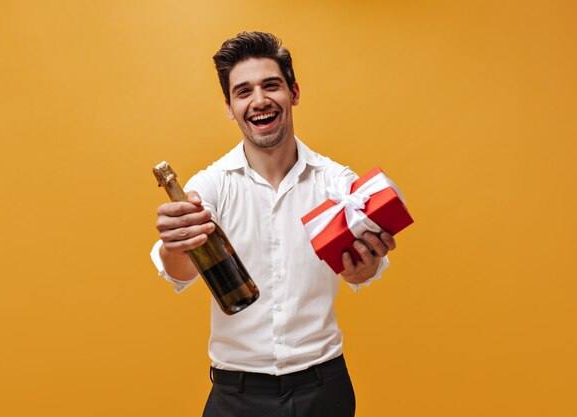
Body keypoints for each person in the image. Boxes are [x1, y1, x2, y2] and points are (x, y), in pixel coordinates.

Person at [150, 31, 397, 417]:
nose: (259, 100)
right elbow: (180, 271)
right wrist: (176, 241)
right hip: (236, 395)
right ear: (230, 107)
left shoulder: (338, 184)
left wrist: (363, 265)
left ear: (294, 93)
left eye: (271, 86)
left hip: (324, 391)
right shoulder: (210, 186)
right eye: (243, 91)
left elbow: (360, 273)